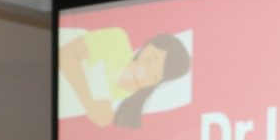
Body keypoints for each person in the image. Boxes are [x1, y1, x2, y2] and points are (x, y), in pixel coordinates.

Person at [59, 28, 191, 128]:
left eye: (155, 74)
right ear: (146, 48)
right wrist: (90, 104)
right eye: (150, 58)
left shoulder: (121, 101)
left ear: (156, 81)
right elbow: (66, 54)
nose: (145, 68)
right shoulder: (117, 42)